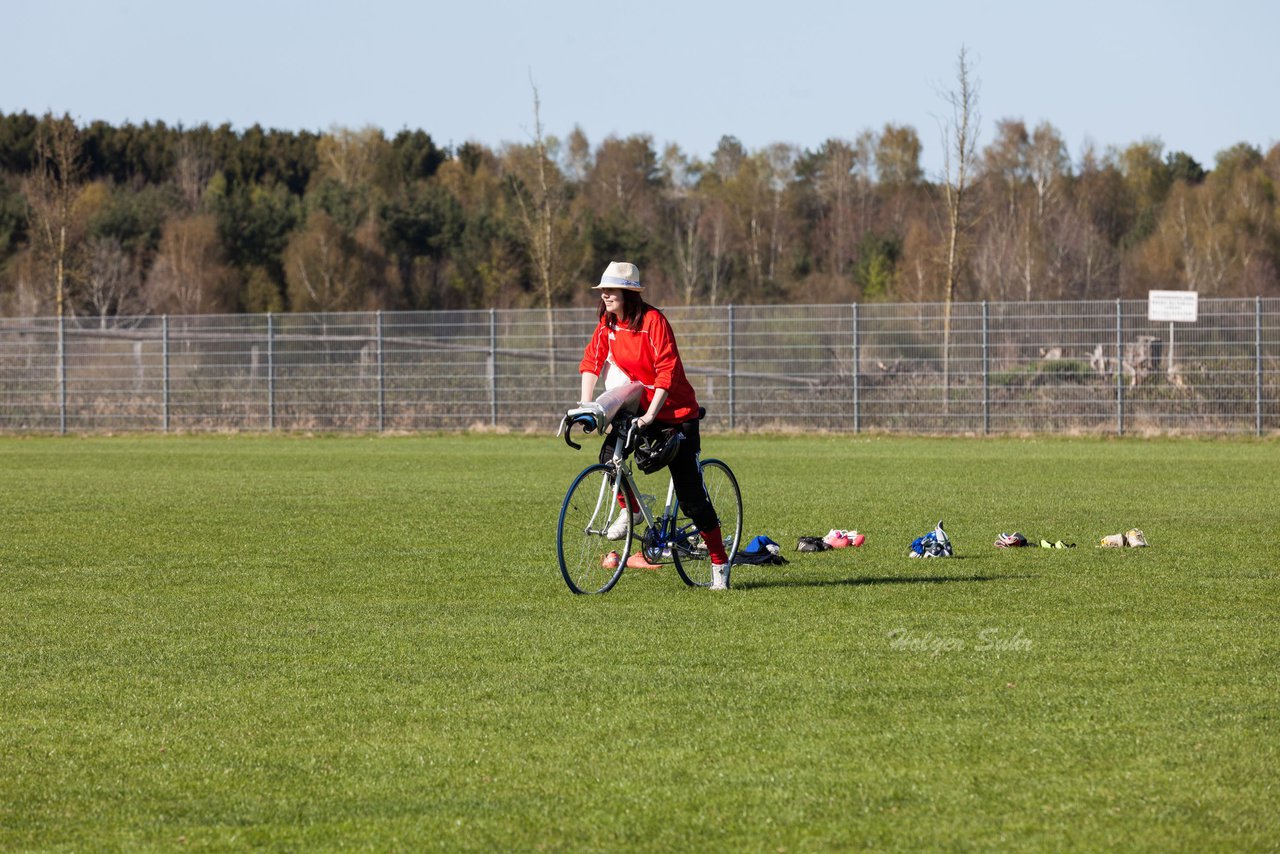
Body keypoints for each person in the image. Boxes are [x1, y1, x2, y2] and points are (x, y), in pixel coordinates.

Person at [577, 261, 733, 590]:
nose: (605, 295)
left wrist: (651, 417)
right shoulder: (608, 323)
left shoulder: (653, 321)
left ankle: (719, 563)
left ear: (629, 293)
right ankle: (632, 510)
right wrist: (587, 404)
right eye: (602, 290)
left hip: (675, 414)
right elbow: (593, 358)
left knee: (691, 499)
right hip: (641, 408)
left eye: (611, 289)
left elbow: (667, 372)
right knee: (609, 458)